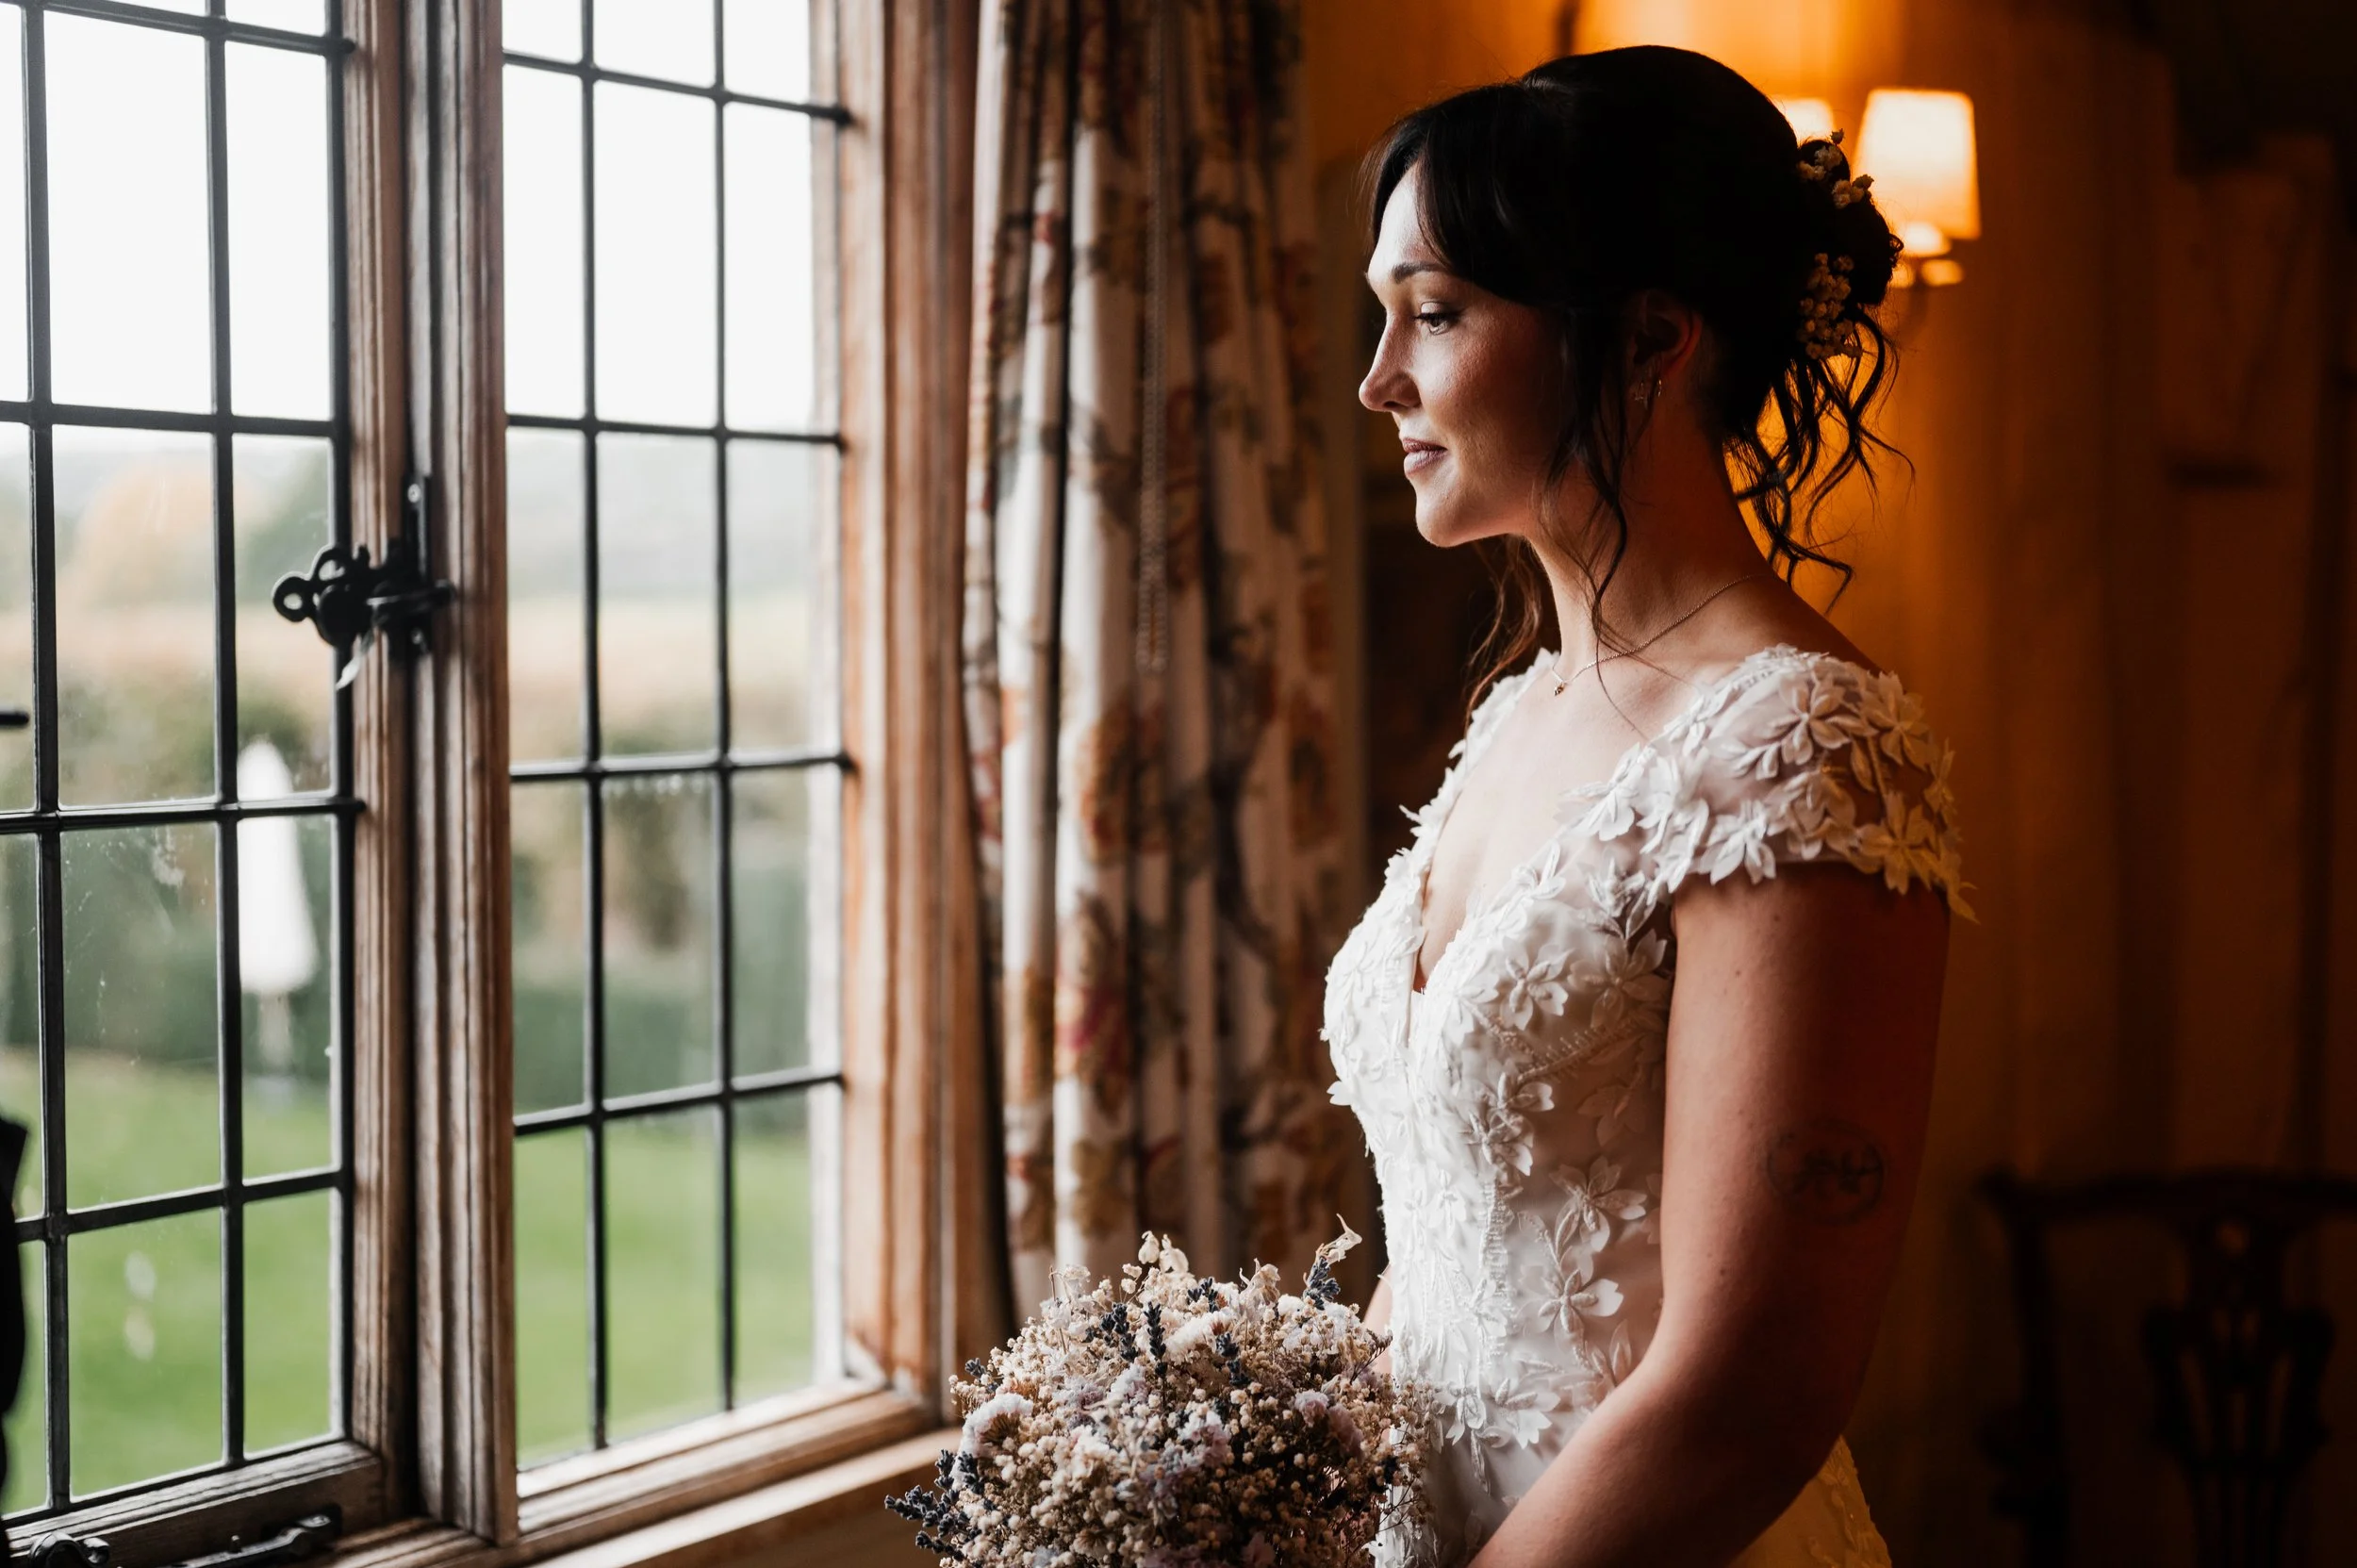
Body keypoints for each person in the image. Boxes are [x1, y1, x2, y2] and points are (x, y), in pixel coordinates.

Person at [1326, 46, 1967, 1568]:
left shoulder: (1802, 743)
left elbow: (1751, 1389)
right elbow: (1449, 1232)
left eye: (1436, 313)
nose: (1380, 380)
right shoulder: (1519, 714)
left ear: (1648, 341)